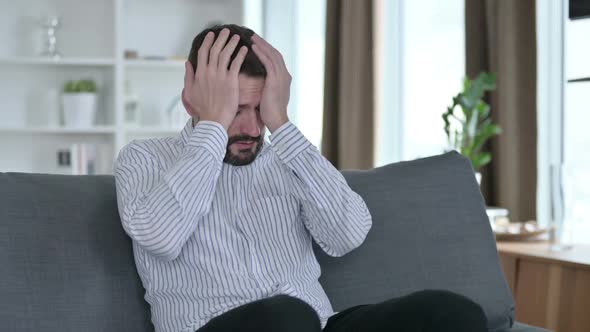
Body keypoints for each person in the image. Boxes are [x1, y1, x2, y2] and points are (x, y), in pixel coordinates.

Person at [114, 24, 488, 332]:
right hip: (221, 326)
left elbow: (348, 233)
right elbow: (160, 236)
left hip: (317, 325)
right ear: (191, 100)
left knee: (451, 313)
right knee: (285, 317)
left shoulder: (287, 159)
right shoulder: (145, 159)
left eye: (260, 108)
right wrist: (213, 125)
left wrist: (282, 124)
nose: (250, 127)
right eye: (234, 109)